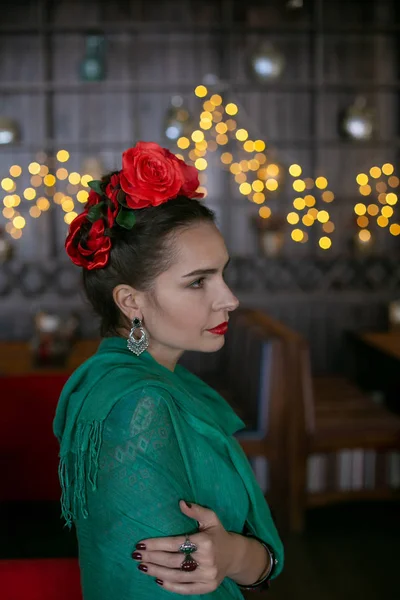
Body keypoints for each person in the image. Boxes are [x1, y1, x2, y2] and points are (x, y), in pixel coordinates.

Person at [53, 141, 284, 599]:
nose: (229, 299)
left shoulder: (169, 383)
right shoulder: (137, 404)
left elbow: (256, 563)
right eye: (198, 282)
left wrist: (235, 554)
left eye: (221, 274)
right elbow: (162, 585)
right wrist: (238, 556)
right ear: (130, 301)